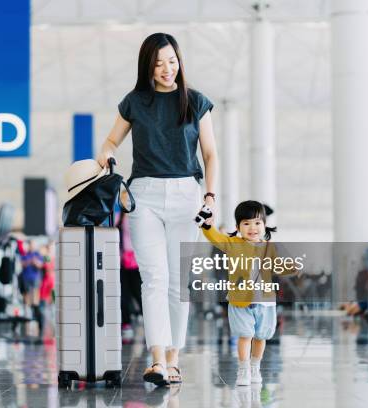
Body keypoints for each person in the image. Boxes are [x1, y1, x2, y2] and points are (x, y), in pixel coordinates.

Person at [97, 32, 218, 386]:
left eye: (172, 61)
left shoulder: (196, 102)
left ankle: (174, 358)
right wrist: (105, 154)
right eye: (159, 62)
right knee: (154, 279)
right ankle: (157, 360)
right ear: (147, 66)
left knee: (178, 283)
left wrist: (210, 198)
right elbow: (110, 140)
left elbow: (210, 154)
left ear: (179, 62)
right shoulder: (135, 102)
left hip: (186, 194)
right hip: (144, 194)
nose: (167, 69)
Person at [199, 200, 297, 387]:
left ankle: (255, 367)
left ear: (264, 225)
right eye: (246, 223)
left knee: (261, 337)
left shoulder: (269, 247)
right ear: (237, 227)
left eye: (257, 223)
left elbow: (276, 266)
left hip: (266, 301)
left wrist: (290, 268)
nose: (252, 228)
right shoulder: (233, 243)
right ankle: (243, 369)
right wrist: (207, 225)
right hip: (240, 301)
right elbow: (215, 237)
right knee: (245, 335)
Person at [116, 189, 142, 344]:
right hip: (120, 261)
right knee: (122, 295)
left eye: (127, 199)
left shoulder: (136, 217)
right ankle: (125, 323)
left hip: (135, 261)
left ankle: (150, 322)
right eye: (123, 199)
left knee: (139, 293)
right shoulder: (119, 217)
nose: (125, 202)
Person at [19, 240, 43, 320]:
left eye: (33, 245)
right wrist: (30, 261)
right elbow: (22, 264)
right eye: (30, 245)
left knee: (35, 295)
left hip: (35, 278)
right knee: (26, 294)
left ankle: (35, 312)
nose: (32, 246)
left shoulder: (38, 254)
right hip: (26, 277)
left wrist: (35, 261)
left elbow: (40, 265)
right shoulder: (25, 254)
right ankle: (27, 312)